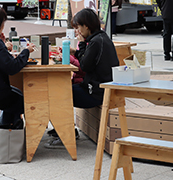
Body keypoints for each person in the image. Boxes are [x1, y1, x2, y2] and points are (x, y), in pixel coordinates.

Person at [46, 8, 119, 148]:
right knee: (61, 90)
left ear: (86, 26)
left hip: (96, 92)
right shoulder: (101, 38)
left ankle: (66, 134)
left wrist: (80, 44)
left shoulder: (95, 42)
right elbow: (89, 61)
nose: (78, 30)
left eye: (78, 26)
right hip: (97, 88)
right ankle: (65, 129)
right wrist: (77, 51)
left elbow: (85, 66)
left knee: (58, 94)